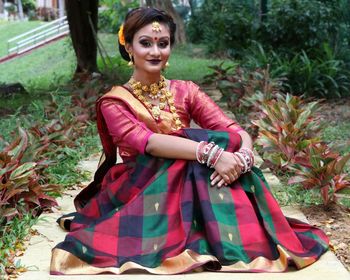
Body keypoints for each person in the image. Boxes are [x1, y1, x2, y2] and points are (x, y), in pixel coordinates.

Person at [50, 7, 328, 275]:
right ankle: (225, 234)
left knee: (213, 145)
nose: (156, 51)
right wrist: (211, 154)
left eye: (163, 43)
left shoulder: (186, 90)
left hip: (188, 177)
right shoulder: (114, 101)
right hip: (141, 185)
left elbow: (233, 129)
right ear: (129, 48)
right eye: (146, 43)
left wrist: (243, 155)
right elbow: (148, 143)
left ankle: (236, 238)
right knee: (197, 148)